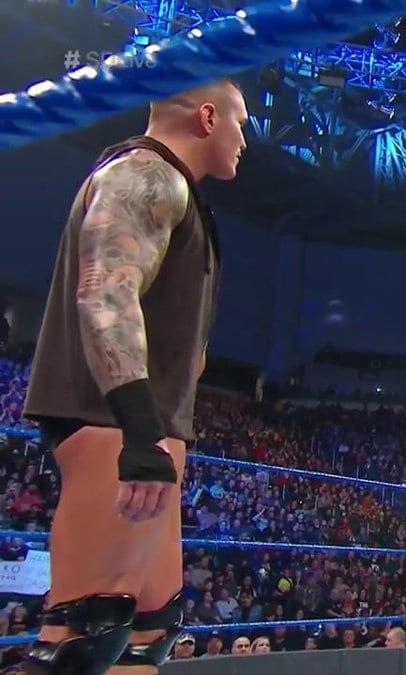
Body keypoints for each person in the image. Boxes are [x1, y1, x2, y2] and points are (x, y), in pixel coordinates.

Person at [20, 78, 247, 673]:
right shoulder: (145, 175)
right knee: (82, 633)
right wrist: (141, 435)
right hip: (113, 425)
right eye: (239, 122)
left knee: (151, 626)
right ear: (207, 117)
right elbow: (105, 294)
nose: (243, 139)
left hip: (145, 426)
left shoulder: (176, 189)